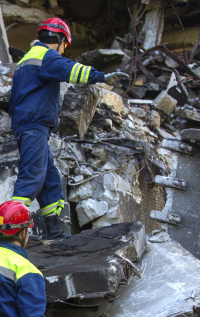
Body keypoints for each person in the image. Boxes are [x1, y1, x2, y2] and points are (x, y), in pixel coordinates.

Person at [9, 17, 127, 240]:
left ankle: (53, 229)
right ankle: (13, 231)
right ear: (60, 39)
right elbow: (71, 71)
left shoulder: (27, 59)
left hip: (31, 125)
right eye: (65, 46)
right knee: (32, 176)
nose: (63, 51)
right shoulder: (45, 55)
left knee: (49, 178)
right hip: (34, 125)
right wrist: (102, 76)